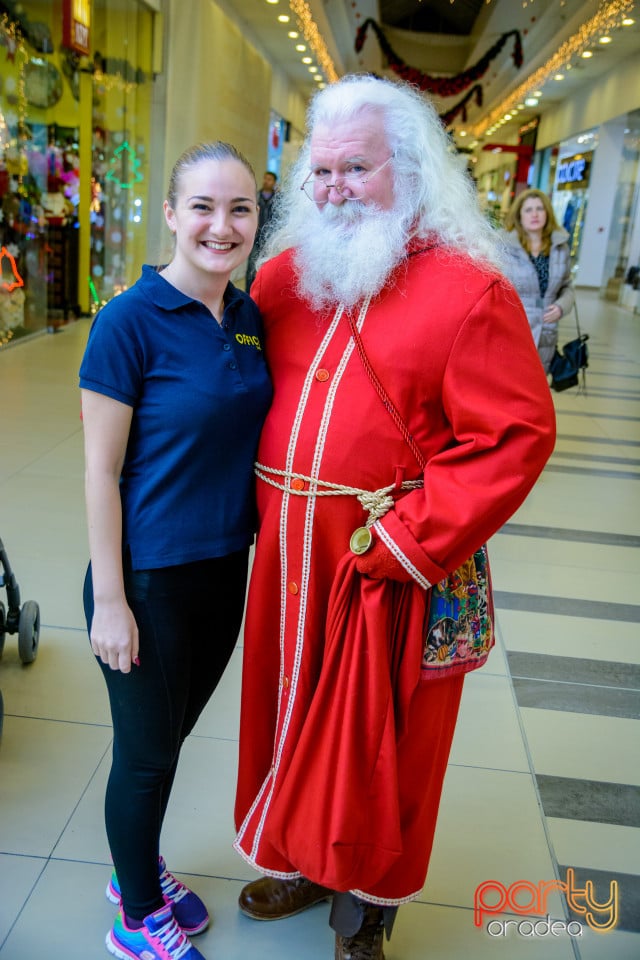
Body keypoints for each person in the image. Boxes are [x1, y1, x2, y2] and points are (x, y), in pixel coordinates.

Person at [232, 75, 556, 960]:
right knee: (289, 715)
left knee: (390, 750)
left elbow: (514, 435)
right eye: (321, 171)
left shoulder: (469, 292)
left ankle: (368, 906)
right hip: (290, 563)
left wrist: (406, 541)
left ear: (408, 172)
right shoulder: (281, 278)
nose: (333, 188)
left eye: (357, 168)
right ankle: (304, 857)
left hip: (391, 567)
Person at [79, 142, 272, 960]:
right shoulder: (128, 320)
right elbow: (99, 470)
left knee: (169, 740)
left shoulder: (249, 316)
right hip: (148, 579)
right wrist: (114, 602)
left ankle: (138, 874)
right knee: (148, 755)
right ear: (169, 214)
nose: (220, 226)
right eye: (203, 207)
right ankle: (134, 918)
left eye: (240, 210)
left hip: (225, 568)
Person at [502, 187, 575, 372]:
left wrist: (561, 307)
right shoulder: (504, 246)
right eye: (528, 210)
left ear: (547, 213)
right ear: (519, 215)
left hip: (546, 327)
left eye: (539, 209)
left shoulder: (559, 248)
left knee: (538, 385)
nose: (535, 214)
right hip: (514, 325)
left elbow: (567, 286)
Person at [245, 170, 278, 290]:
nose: (266, 181)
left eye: (269, 179)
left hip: (270, 240)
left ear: (274, 182)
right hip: (255, 238)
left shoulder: (278, 199)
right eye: (265, 178)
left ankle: (265, 292)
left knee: (269, 267)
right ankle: (249, 294)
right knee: (251, 268)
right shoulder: (255, 198)